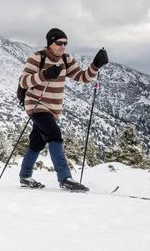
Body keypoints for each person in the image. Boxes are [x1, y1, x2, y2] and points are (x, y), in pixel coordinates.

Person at [18, 28, 108, 191]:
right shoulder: (37, 58)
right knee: (54, 135)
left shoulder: (66, 60)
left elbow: (83, 77)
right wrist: (45, 74)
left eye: (65, 43)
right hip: (35, 104)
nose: (62, 47)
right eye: (59, 43)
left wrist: (95, 64)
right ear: (50, 43)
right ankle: (65, 178)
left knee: (37, 142)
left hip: (53, 110)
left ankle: (25, 175)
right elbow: (24, 82)